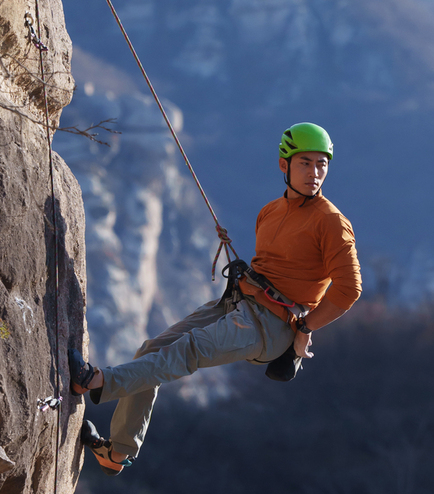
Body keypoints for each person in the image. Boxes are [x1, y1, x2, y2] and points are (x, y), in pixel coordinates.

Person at [69, 122, 362, 475]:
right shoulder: (270, 212)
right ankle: (116, 453)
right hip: (240, 303)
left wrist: (305, 327)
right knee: (151, 349)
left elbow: (349, 290)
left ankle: (97, 381)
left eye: (321, 164)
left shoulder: (331, 222)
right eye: (305, 163)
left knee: (187, 349)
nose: (315, 174)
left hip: (271, 325)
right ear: (284, 164)